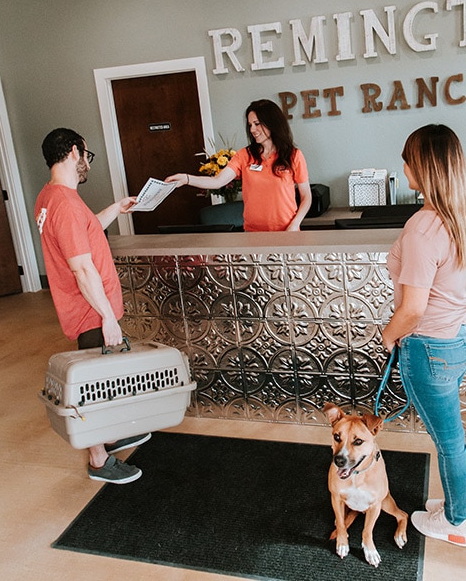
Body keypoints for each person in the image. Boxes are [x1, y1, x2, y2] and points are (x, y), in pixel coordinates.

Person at [381, 124, 466, 547]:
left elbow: (412, 310)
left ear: (423, 167)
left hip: (432, 347)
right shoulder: (462, 213)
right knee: (453, 437)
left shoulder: (423, 228)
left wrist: (389, 337)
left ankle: (457, 523)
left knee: (448, 442)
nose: (403, 165)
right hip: (463, 336)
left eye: (408, 158)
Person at [35, 128, 150, 484]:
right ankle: (99, 460)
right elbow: (81, 268)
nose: (87, 163)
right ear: (74, 152)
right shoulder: (66, 204)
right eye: (87, 155)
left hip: (88, 308)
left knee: (107, 380)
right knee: (95, 388)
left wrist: (116, 208)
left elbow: (86, 233)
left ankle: (110, 438)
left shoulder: (51, 196)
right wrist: (106, 317)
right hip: (88, 311)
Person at [164, 99, 312, 231]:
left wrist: (295, 224)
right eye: (250, 125)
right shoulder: (244, 155)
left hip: (287, 232)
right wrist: (186, 179)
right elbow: (217, 181)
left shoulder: (293, 155)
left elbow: (306, 196)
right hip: (253, 234)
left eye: (257, 124)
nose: (252, 130)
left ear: (272, 123)